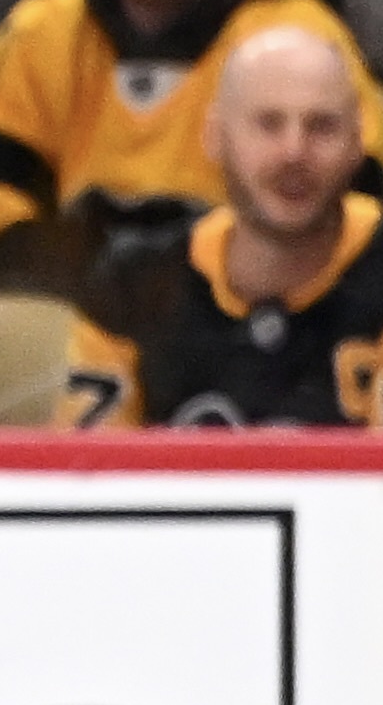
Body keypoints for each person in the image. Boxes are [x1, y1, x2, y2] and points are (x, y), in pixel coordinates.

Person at [0, 0, 377, 287]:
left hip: (257, 321)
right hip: (66, 317)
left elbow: (363, 212)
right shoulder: (44, 29)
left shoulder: (300, 39)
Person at [61, 23, 383, 422]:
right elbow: (90, 473)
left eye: (322, 127)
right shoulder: (131, 287)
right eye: (268, 124)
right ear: (214, 136)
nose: (294, 151)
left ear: (357, 144)